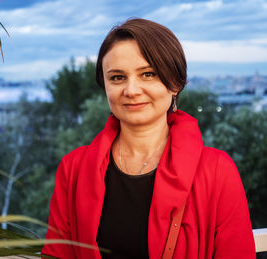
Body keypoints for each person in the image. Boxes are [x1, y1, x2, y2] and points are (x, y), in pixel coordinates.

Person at [41, 18, 255, 259]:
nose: (131, 90)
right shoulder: (74, 169)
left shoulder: (216, 171)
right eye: (117, 77)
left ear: (175, 83)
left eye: (148, 74)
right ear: (105, 86)